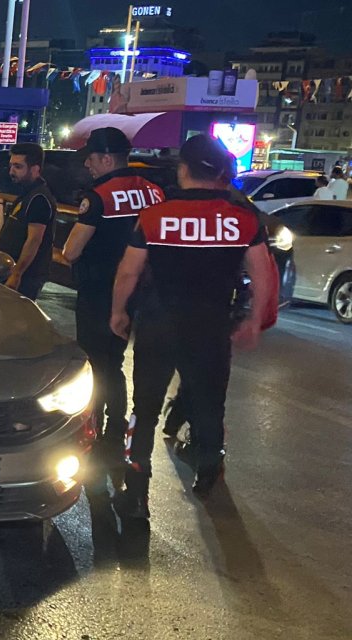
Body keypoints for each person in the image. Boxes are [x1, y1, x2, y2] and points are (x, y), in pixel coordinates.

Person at [109, 134, 276, 514]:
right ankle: (207, 472)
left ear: (183, 169)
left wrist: (119, 311)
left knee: (145, 408)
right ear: (219, 172)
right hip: (210, 326)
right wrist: (253, 319)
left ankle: (135, 487)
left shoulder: (155, 216)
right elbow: (262, 273)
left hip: (158, 322)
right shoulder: (242, 218)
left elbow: (128, 272)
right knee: (209, 405)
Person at [60, 127, 165, 481]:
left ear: (107, 158)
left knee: (94, 363)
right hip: (141, 292)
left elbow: (72, 251)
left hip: (98, 292)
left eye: (91, 156)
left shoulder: (99, 196)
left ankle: (99, 427)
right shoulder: (154, 192)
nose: (87, 163)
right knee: (115, 362)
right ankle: (118, 428)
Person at [0, 143, 56, 300]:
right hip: (11, 272)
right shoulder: (28, 194)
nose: (11, 171)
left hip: (26, 278)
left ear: (35, 169)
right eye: (11, 166)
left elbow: (34, 240)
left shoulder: (39, 198)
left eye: (18, 167)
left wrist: (17, 274)